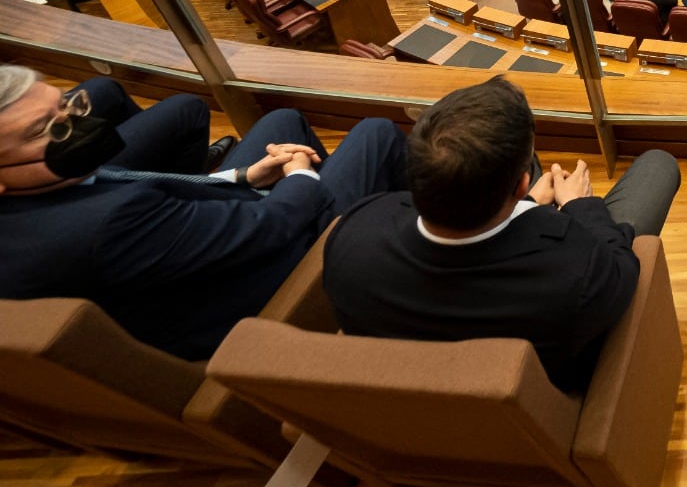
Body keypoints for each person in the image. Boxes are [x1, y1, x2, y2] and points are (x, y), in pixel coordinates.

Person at [0, 66, 407, 360]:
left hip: (201, 242)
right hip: (271, 281)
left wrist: (243, 175)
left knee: (282, 121)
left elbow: (127, 180)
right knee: (376, 133)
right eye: (42, 130)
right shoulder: (107, 223)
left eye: (68, 106)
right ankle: (428, 237)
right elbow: (273, 225)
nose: (73, 125)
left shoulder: (41, 188)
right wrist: (298, 176)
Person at [321, 77, 679, 394]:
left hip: (428, 399)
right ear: (521, 184)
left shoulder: (352, 235)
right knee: (657, 166)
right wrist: (578, 206)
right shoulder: (576, 271)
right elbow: (622, 271)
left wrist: (527, 204)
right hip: (555, 389)